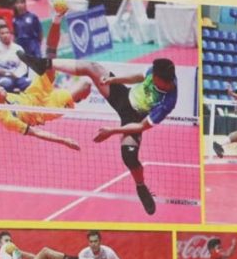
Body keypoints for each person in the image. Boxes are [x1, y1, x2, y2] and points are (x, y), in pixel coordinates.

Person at [20, 40, 181, 215]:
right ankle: (44, 64)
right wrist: (114, 79)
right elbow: (139, 77)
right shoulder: (157, 70)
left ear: (163, 81)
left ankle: (141, 186)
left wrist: (112, 131)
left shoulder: (168, 102)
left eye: (155, 78)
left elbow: (142, 126)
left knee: (129, 157)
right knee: (92, 67)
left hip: (134, 118)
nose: (152, 76)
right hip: (124, 96)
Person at [0, 9, 84, 150]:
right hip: (43, 110)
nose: (1, 87)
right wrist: (64, 140)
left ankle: (57, 20)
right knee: (85, 84)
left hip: (32, 93)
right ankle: (78, 94)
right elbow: (36, 132)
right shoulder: (7, 118)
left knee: (50, 59)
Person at [0, 20, 31, 92]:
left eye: (7, 33)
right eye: (2, 33)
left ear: (11, 34)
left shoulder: (18, 48)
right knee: (6, 83)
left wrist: (16, 74)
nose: (5, 35)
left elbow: (23, 65)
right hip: (1, 77)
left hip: (16, 76)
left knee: (28, 82)